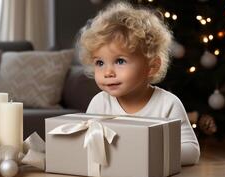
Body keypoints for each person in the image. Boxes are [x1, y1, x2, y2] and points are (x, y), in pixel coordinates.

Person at [77, 2, 200, 165]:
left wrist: (153, 154)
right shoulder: (100, 104)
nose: (108, 72)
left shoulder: (167, 104)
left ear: (151, 66)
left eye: (120, 61)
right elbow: (86, 145)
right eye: (100, 63)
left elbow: (191, 151)